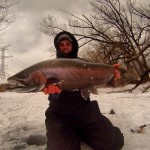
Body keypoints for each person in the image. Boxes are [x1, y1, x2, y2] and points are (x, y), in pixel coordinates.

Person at [43, 31, 124, 150]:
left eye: (67, 44)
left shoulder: (85, 63)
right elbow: (49, 93)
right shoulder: (50, 67)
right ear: (58, 48)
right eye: (61, 44)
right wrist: (53, 92)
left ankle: (86, 132)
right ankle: (70, 134)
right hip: (59, 114)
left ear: (73, 46)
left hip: (85, 112)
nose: (65, 47)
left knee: (112, 143)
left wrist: (113, 71)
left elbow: (101, 76)